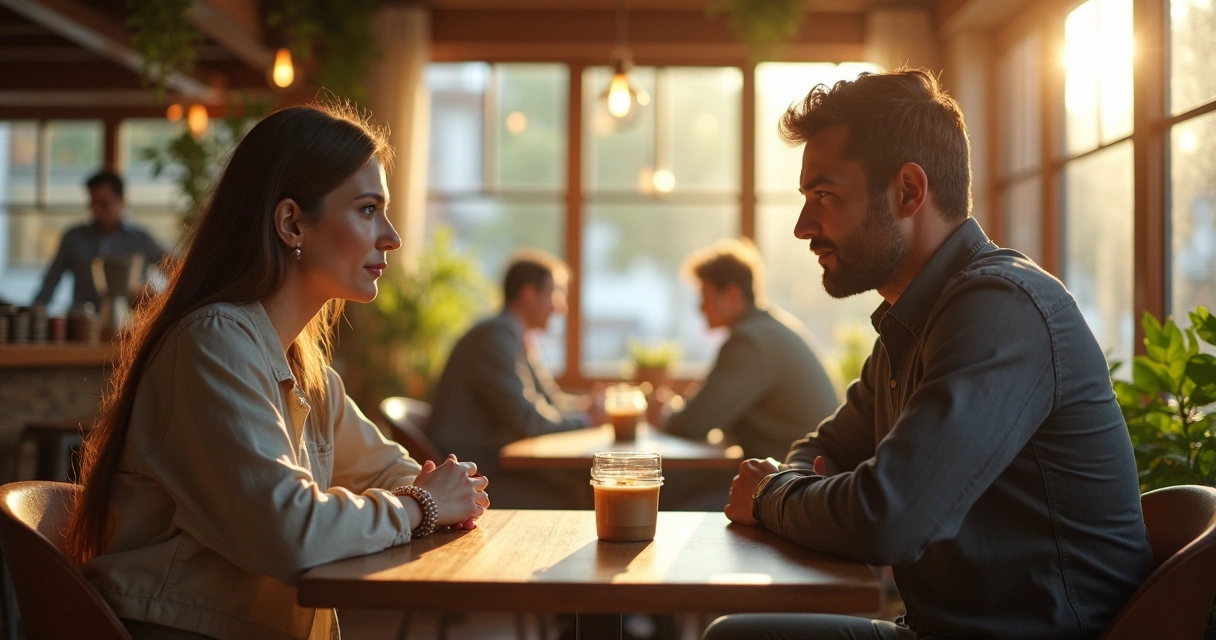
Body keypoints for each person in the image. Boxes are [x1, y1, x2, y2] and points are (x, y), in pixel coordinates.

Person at [712, 69, 1152, 639]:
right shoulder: (913, 322)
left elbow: (887, 517)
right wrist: (805, 489)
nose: (802, 227)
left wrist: (774, 495)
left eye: (824, 195)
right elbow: (821, 451)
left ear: (908, 192)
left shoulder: (1000, 309)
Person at [66, 104, 489, 640]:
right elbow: (290, 532)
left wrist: (429, 496)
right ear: (292, 222)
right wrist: (423, 505)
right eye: (367, 209)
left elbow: (393, 474)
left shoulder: (302, 365)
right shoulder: (212, 342)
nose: (392, 236)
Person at [429, 250, 601, 508]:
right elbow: (527, 420)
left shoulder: (514, 336)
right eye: (555, 293)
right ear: (529, 293)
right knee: (576, 491)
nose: (561, 306)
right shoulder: (496, 337)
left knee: (579, 485)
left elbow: (548, 401)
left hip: (492, 463)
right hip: (474, 472)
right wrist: (588, 419)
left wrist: (586, 407)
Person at [660, 238, 839, 462]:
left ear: (733, 295)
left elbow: (695, 423)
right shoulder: (767, 329)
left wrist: (662, 413)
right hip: (803, 471)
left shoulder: (750, 342)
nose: (700, 306)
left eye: (705, 296)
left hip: (797, 480)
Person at [33, 170, 167, 309]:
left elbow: (177, 272)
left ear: (122, 202)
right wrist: (33, 316)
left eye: (104, 204)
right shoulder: (74, 238)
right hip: (83, 324)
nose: (96, 210)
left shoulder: (142, 239)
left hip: (131, 327)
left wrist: (157, 298)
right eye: (92, 204)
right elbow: (49, 284)